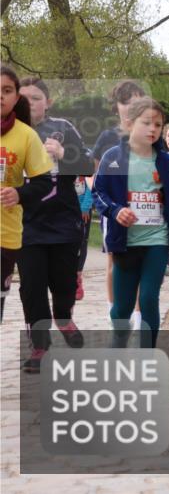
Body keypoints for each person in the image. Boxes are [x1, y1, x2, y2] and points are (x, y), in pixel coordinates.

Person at [93, 97, 169, 349]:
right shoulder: (113, 157)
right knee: (121, 308)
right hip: (124, 242)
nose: (153, 129)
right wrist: (115, 211)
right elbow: (98, 193)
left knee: (149, 298)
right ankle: (118, 343)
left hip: (156, 240)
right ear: (129, 124)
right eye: (146, 123)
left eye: (158, 125)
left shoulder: (164, 162)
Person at [18, 77, 92, 371]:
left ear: (47, 103)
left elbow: (88, 164)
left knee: (63, 285)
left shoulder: (63, 128)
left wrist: (64, 155)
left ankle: (63, 316)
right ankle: (39, 346)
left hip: (63, 221)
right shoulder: (8, 133)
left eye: (35, 98)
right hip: (25, 225)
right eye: (22, 98)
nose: (28, 103)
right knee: (32, 287)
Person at [1, 67, 55, 328]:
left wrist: (19, 193)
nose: (0, 95)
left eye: (7, 90)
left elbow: (44, 183)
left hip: (5, 235)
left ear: (15, 98)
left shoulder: (26, 135)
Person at [93, 79, 145, 327]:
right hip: (114, 210)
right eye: (126, 102)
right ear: (117, 107)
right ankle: (114, 310)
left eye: (137, 102)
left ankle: (138, 313)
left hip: (145, 208)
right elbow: (95, 177)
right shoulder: (107, 138)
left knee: (140, 259)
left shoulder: (150, 135)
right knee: (114, 259)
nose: (131, 107)